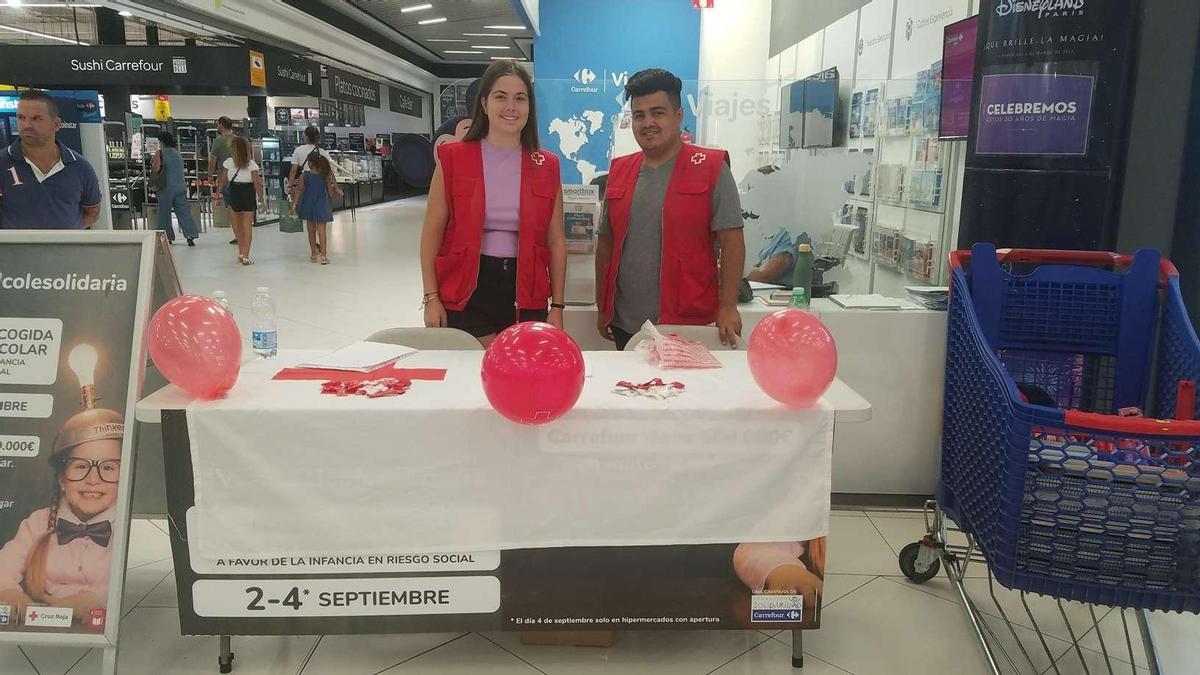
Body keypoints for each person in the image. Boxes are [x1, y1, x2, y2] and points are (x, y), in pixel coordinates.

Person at [594, 69, 746, 350]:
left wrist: (728, 306)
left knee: (688, 394)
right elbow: (607, 242)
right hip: (627, 323)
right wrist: (603, 305)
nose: (648, 122)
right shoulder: (619, 171)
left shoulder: (712, 167)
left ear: (679, 115)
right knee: (632, 393)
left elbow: (732, 242)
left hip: (688, 323)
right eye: (639, 115)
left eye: (658, 112)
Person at [420, 59, 567, 347]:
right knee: (471, 374)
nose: (511, 106)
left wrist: (558, 307)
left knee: (521, 377)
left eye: (520, 98)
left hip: (526, 288)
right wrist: (431, 297)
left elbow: (556, 241)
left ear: (529, 107)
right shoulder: (453, 159)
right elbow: (432, 232)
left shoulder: (546, 165)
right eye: (501, 97)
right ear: (485, 104)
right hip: (466, 287)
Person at [0, 407, 124, 627]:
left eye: (108, 467)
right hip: (40, 634)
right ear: (62, 479)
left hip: (104, 630)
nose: (93, 479)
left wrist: (94, 599)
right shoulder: (38, 523)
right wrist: (8, 592)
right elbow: (5, 565)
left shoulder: (126, 530)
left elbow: (130, 585)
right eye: (80, 466)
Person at [0, 90, 102, 230]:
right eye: (21, 118)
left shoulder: (80, 167)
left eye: (36, 118)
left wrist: (64, 236)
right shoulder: (3, 163)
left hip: (67, 251)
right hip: (16, 252)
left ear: (56, 124)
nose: (27, 125)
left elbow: (93, 212)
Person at [215, 136, 264, 266]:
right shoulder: (252, 164)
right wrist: (261, 199)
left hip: (234, 192)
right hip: (248, 193)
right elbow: (257, 183)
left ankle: (241, 252)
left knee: (237, 226)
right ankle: (246, 255)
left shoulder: (228, 162)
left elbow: (222, 180)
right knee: (247, 225)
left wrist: (217, 195)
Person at [150, 130, 200, 246]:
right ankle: (190, 235)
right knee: (184, 212)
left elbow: (156, 169)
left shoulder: (160, 153)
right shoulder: (177, 153)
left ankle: (167, 237)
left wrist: (153, 165)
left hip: (166, 188)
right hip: (180, 186)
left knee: (165, 213)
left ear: (161, 141)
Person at [292, 153, 342, 265]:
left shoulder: (304, 176)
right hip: (321, 203)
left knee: (311, 230)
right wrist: (336, 190)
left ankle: (313, 254)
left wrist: (294, 204)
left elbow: (299, 190)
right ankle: (323, 255)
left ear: (310, 163)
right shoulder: (325, 175)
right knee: (322, 230)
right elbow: (330, 189)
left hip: (308, 204)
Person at [206, 116, 238, 245]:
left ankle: (237, 235)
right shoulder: (238, 139)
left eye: (218, 124)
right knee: (241, 208)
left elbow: (213, 161)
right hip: (241, 177)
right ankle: (243, 233)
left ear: (221, 125)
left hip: (226, 178)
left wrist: (209, 175)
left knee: (231, 208)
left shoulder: (218, 141)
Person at [747, 227, 812, 288]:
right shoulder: (774, 232)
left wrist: (740, 274)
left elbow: (766, 275)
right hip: (762, 293)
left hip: (784, 296)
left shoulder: (792, 234)